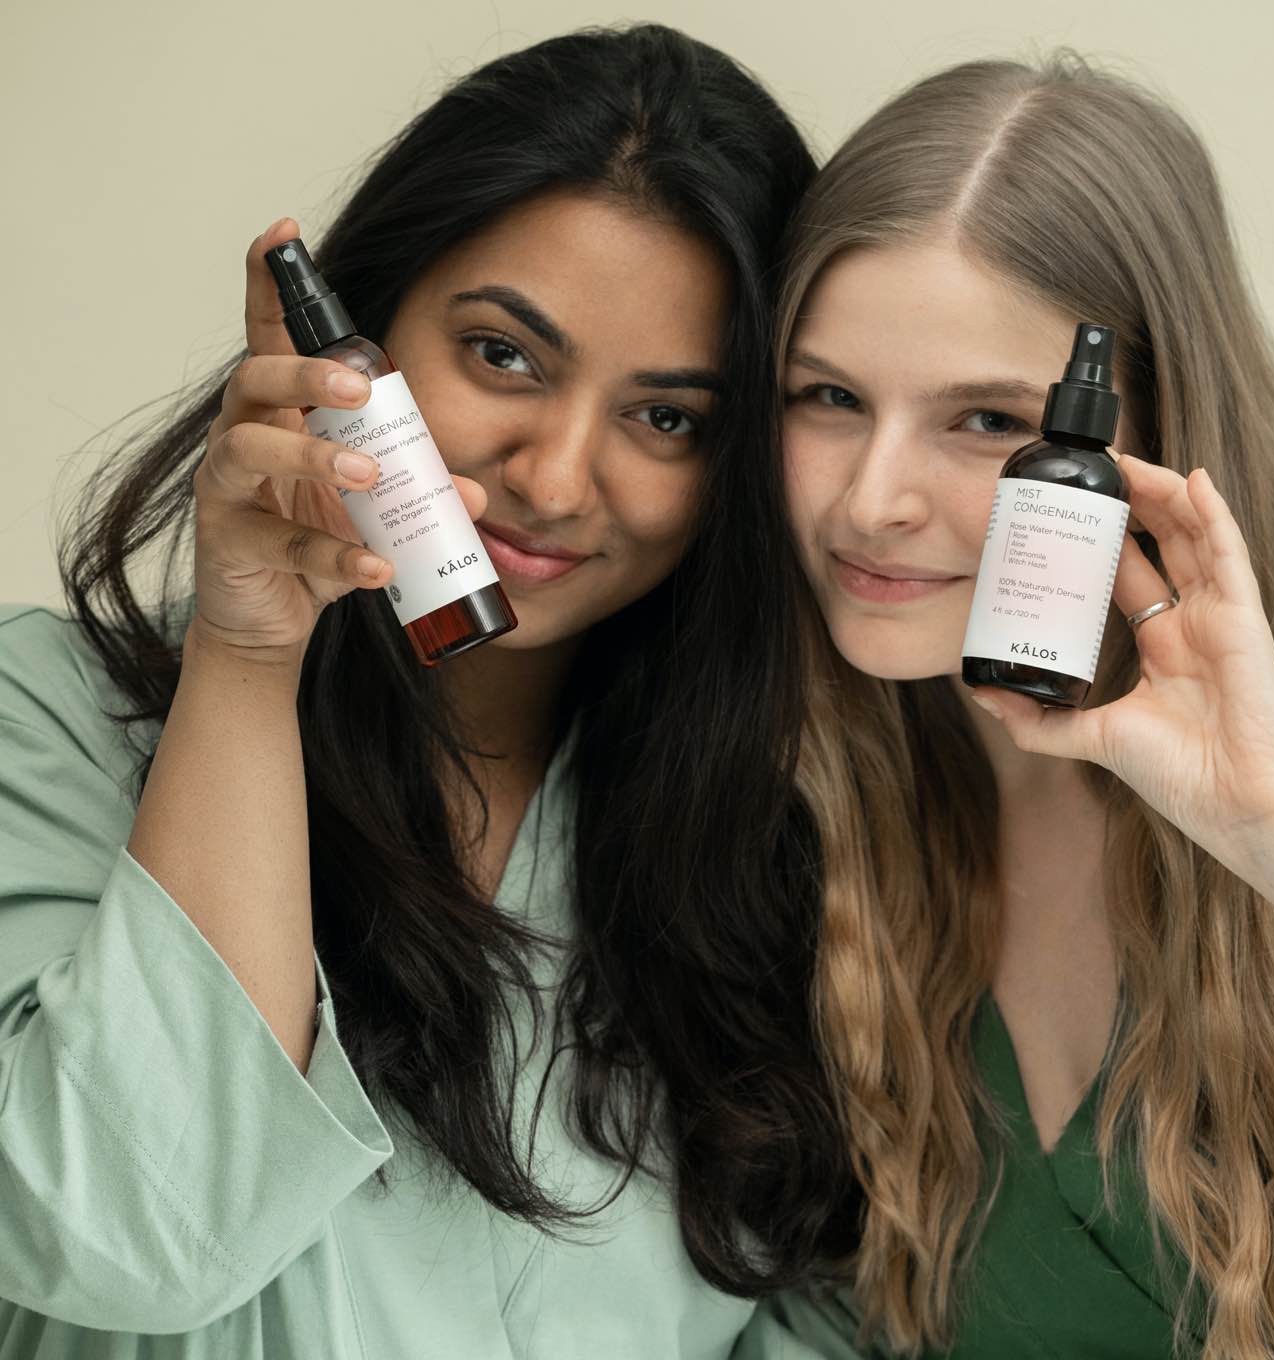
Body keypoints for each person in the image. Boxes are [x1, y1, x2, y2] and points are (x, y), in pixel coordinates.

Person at [0, 25, 859, 1357]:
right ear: (358, 335)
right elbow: (127, 1237)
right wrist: (246, 654)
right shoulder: (46, 725)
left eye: (668, 418)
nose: (559, 478)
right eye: (504, 356)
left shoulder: (770, 852)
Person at [767, 53, 1274, 1360]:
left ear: (1146, 425)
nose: (868, 500)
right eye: (828, 397)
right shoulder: (818, 769)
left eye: (982, 419)